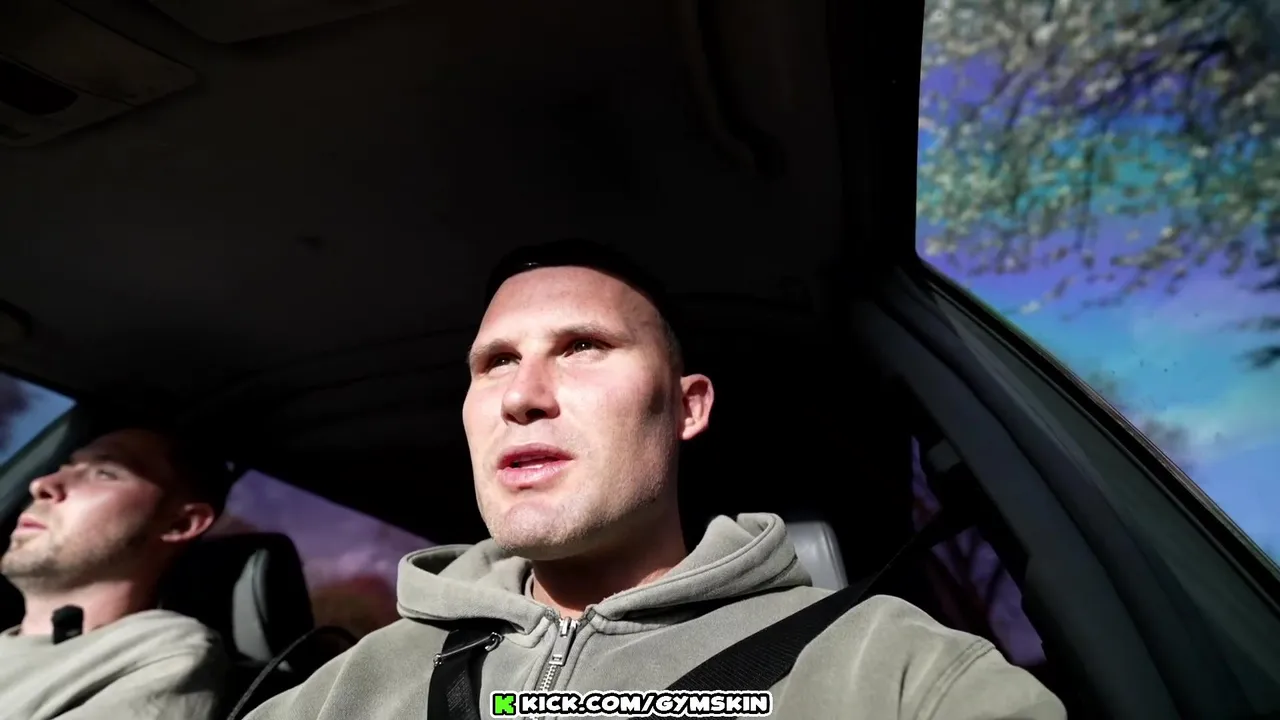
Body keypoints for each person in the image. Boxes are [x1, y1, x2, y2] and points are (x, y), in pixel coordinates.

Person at [244, 239, 1065, 719]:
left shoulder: (889, 669)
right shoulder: (342, 692)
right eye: (495, 362)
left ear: (687, 407)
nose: (523, 397)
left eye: (582, 347)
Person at [0, 427, 231, 720]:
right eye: (64, 467)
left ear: (180, 524)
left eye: (105, 473)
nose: (41, 484)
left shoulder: (161, 652)